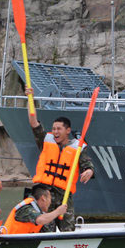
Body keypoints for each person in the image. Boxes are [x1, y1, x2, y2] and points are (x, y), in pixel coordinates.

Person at [25, 88, 94, 231]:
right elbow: (33, 122)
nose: (55, 132)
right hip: (45, 193)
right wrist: (30, 99)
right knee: (44, 228)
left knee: (68, 229)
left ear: (67, 130)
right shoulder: (46, 140)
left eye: (59, 129)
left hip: (64, 195)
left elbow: (87, 164)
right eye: (54, 128)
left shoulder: (77, 147)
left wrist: (89, 171)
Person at [2, 184, 68, 234]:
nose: (50, 202)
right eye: (50, 198)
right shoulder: (26, 208)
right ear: (43, 198)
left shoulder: (38, 211)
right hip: (8, 243)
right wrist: (58, 211)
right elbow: (40, 219)